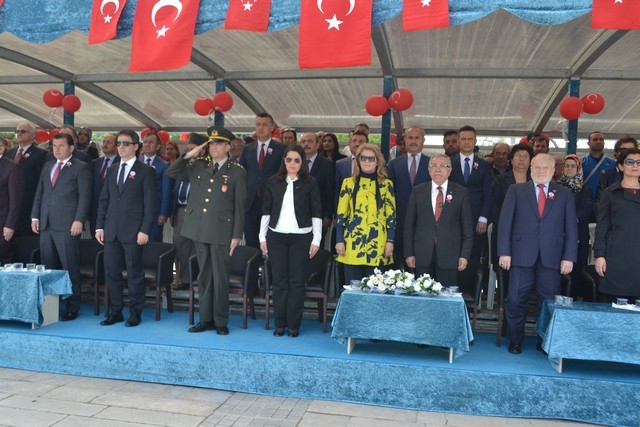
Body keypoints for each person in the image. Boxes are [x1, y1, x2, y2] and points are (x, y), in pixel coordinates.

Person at [167, 126, 247, 334]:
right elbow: (172, 172)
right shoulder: (199, 166)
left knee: (220, 277)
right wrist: (189, 155)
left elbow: (240, 207)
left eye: (219, 144)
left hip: (222, 231)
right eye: (211, 143)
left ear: (228, 147)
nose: (214, 147)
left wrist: (236, 235)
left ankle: (220, 321)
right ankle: (205, 319)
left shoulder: (237, 172)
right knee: (204, 276)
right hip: (200, 229)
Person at [498, 153, 577, 354]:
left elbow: (571, 228)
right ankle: (515, 340)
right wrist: (504, 252)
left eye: (545, 168)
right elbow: (505, 224)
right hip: (520, 256)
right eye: (537, 167)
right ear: (530, 169)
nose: (541, 171)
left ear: (553, 170)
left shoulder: (564, 193)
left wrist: (569, 257)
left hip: (552, 257)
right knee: (516, 300)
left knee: (548, 302)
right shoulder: (516, 190)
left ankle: (544, 340)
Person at [96, 129, 157, 328]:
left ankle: (135, 312)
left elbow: (150, 204)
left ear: (136, 146)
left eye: (125, 143)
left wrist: (145, 229)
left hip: (134, 231)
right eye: (119, 143)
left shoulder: (146, 171)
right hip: (111, 229)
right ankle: (116, 312)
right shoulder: (112, 169)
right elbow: (104, 200)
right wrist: (99, 227)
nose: (121, 147)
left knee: (134, 273)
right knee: (111, 272)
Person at [260, 145, 322, 337]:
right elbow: (266, 210)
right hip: (276, 236)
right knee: (279, 281)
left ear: (302, 162)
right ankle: (280, 324)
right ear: (284, 161)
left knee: (296, 281)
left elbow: (317, 212)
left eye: (297, 160)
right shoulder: (274, 181)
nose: (292, 163)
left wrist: (317, 239)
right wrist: (262, 237)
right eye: (289, 160)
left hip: (302, 237)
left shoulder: (310, 182)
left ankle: (294, 325)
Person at [31, 133, 91, 321]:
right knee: (48, 268)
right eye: (54, 146)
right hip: (46, 223)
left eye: (61, 145)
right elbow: (40, 193)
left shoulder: (81, 167)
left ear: (71, 148)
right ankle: (51, 307)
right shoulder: (48, 165)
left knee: (69, 266)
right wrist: (35, 216)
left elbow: (85, 196)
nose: (56, 149)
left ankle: (73, 306)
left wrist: (79, 219)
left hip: (68, 224)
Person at [404, 154, 473, 285]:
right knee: (422, 294)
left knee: (447, 294)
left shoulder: (461, 192)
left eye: (443, 166)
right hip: (422, 253)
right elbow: (409, 226)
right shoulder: (417, 191)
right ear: (428, 169)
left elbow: (467, 228)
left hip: (450, 254)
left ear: (450, 170)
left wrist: (464, 256)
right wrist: (409, 253)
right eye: (434, 165)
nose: (438, 169)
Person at [336, 144, 396, 285]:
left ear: (377, 161)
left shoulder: (386, 185)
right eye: (363, 158)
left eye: (371, 158)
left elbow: (391, 216)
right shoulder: (348, 183)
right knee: (353, 287)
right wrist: (339, 240)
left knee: (375, 289)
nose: (367, 161)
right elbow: (341, 214)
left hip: (378, 243)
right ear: (358, 160)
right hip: (352, 243)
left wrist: (390, 241)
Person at [449, 125, 492, 299]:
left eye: (470, 139)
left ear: (475, 141)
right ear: (458, 142)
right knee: (452, 254)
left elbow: (488, 193)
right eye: (463, 139)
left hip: (476, 220)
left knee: (473, 256)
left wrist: (483, 218)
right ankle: (451, 292)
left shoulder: (484, 165)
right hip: (453, 219)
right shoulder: (448, 163)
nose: (466, 142)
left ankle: (471, 296)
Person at [594, 148, 640, 304]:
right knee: (615, 305)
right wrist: (599, 255)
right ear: (620, 166)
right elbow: (601, 226)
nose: (635, 165)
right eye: (630, 162)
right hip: (616, 253)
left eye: (639, 162)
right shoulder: (610, 192)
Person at [239, 112, 286, 248]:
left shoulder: (281, 149)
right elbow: (242, 173)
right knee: (251, 242)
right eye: (258, 124)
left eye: (264, 125)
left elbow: (284, 174)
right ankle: (253, 263)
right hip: (250, 202)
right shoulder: (247, 149)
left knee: (271, 242)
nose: (260, 128)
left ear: (272, 127)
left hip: (272, 202)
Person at [387, 126, 430, 265]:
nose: (413, 141)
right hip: (400, 218)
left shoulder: (432, 164)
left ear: (423, 141)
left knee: (422, 260)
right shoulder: (393, 164)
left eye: (417, 138)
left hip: (424, 220)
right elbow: (388, 192)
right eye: (410, 137)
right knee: (398, 260)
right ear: (405, 140)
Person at [169, 133, 205, 291]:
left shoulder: (205, 166)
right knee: (180, 245)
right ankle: (184, 279)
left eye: (192, 149)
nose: (188, 152)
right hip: (180, 209)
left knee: (197, 246)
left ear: (202, 150)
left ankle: (198, 280)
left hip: (198, 211)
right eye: (187, 149)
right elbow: (171, 172)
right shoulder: (184, 165)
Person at [491, 144, 533, 272]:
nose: (522, 159)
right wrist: (503, 225)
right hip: (505, 232)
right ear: (511, 160)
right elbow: (494, 205)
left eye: (525, 156)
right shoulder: (500, 179)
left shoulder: (535, 181)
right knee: (504, 270)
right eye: (518, 156)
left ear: (530, 161)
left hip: (529, 233)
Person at [557, 155, 593, 300]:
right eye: (566, 166)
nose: (569, 168)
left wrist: (570, 220)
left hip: (579, 233)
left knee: (576, 267)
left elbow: (587, 211)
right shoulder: (556, 187)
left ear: (578, 168)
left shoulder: (585, 189)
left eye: (573, 166)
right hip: (558, 233)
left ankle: (573, 299)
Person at [5, 122, 48, 237]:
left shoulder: (41, 154)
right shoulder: (9, 153)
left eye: (23, 131)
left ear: (33, 136)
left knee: (26, 239)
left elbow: (42, 181)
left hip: (28, 205)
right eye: (17, 131)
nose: (19, 134)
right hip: (9, 205)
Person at [300, 132, 335, 245]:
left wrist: (327, 216)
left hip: (318, 217)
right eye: (303, 141)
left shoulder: (327, 164)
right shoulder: (294, 163)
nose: (306, 144)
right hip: (296, 217)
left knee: (316, 249)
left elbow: (330, 191)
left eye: (310, 141)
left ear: (317, 145)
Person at [140, 131, 172, 242]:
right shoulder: (135, 163)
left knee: (153, 242)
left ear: (158, 146)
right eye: (145, 142)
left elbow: (166, 190)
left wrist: (163, 212)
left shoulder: (164, 165)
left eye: (150, 142)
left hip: (155, 212)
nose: (147, 144)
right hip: (136, 211)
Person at [596, 135, 638, 207]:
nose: (627, 153)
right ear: (616, 153)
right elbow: (600, 203)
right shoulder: (607, 174)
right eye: (623, 150)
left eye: (631, 150)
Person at [0, 138, 24, 263]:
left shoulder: (12, 167)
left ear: (1, 148)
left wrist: (10, 225)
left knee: (3, 260)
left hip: (3, 225)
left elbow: (16, 200)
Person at [90, 133, 119, 235]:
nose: (105, 144)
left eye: (109, 142)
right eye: (104, 142)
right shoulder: (94, 163)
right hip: (95, 211)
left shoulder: (122, 164)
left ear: (116, 147)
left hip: (113, 211)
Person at [335, 131, 368, 205]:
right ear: (349, 144)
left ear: (367, 145)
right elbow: (336, 189)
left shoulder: (374, 164)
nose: (357, 144)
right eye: (354, 141)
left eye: (361, 141)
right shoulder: (339, 164)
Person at [582, 131, 615, 200]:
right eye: (595, 139)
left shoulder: (613, 163)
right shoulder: (581, 162)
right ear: (588, 143)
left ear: (604, 143)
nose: (598, 141)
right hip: (585, 201)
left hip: (606, 201)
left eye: (601, 139)